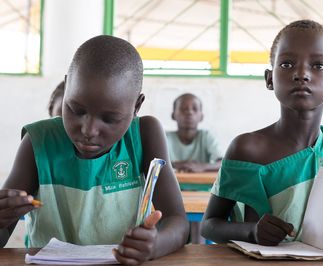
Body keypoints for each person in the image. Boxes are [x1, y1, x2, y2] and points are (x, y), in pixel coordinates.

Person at [0, 35, 189, 265]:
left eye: (110, 119)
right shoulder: (38, 143)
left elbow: (178, 222)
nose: (89, 130)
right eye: (76, 110)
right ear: (67, 85)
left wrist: (155, 244)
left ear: (136, 106)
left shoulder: (145, 135)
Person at [201, 20, 323, 261]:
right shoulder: (247, 148)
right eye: (287, 64)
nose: (301, 73)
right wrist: (251, 231)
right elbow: (209, 225)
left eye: (318, 65)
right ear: (270, 79)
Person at [166, 93, 222, 173]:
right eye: (183, 109)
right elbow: (153, 163)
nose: (189, 112)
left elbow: (222, 163)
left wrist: (202, 167)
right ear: (173, 115)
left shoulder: (206, 136)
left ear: (201, 116)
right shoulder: (164, 137)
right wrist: (177, 164)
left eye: (195, 109)